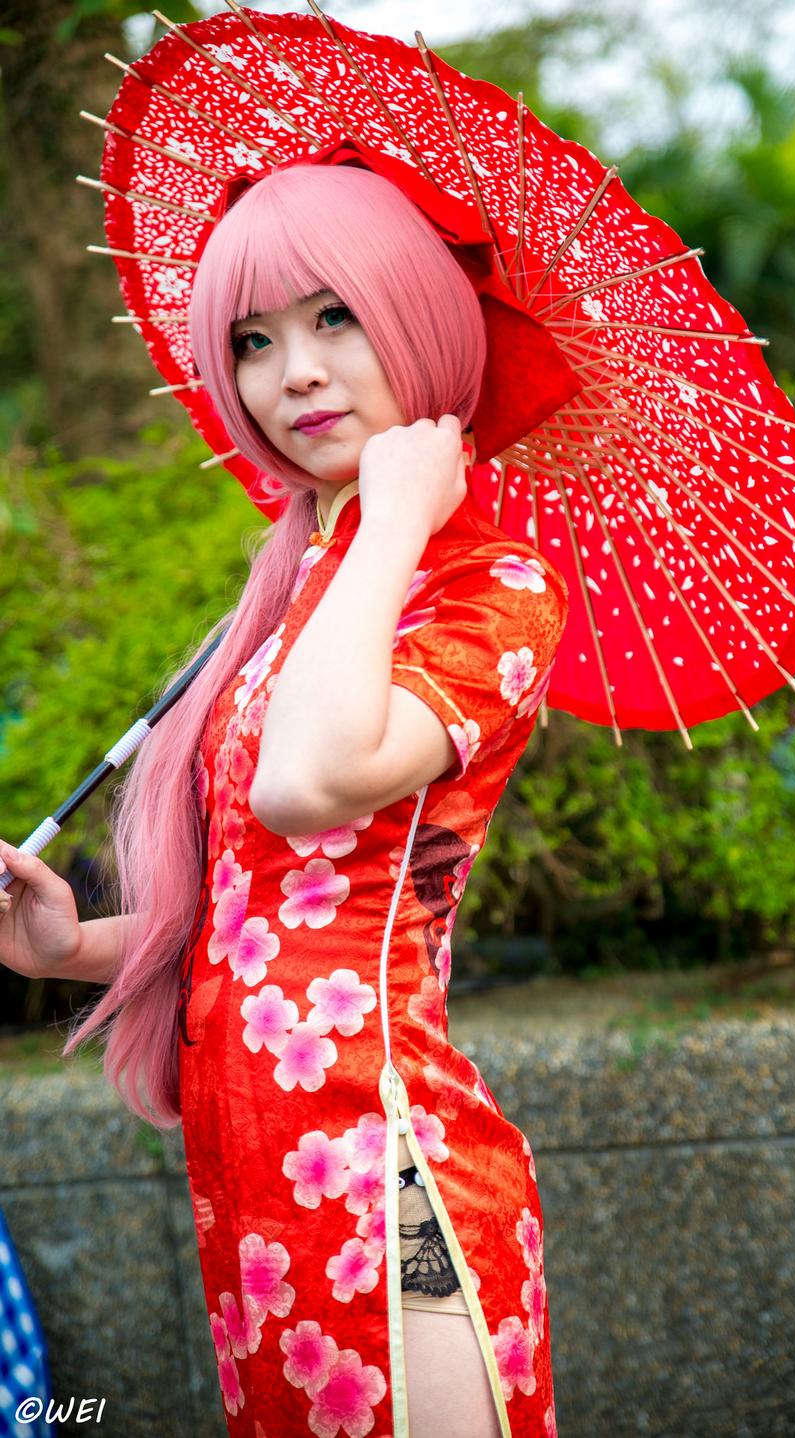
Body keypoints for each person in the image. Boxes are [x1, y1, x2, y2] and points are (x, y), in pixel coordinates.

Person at [0, 161, 568, 1438]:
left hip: (389, 1169)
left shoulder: (493, 589)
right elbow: (262, 921)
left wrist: (389, 528)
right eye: (253, 340)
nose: (293, 371)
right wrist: (73, 946)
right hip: (251, 1177)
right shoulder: (291, 600)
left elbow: (308, 785)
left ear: (422, 318)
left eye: (336, 317)